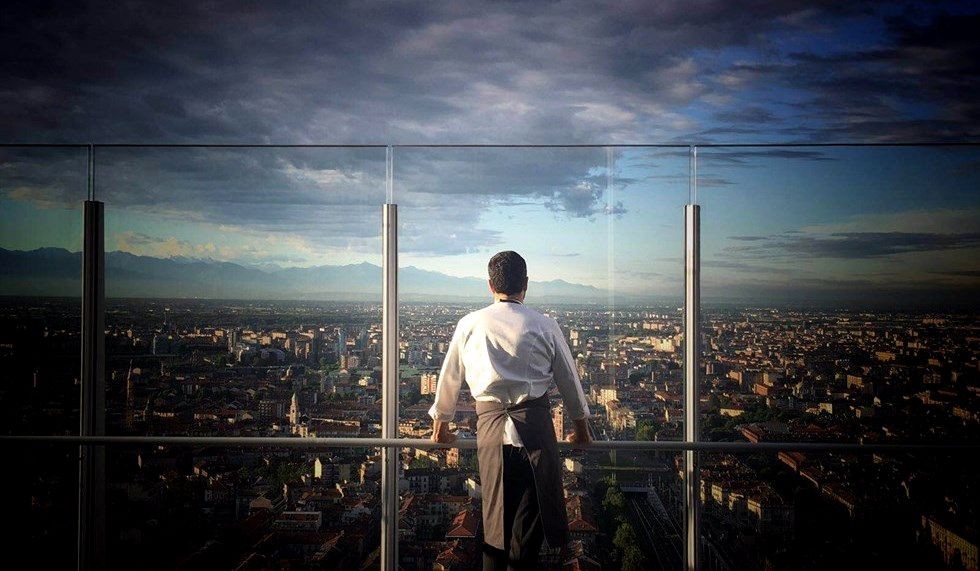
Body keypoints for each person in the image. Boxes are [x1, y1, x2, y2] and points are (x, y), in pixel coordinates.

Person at [428, 250, 592, 570]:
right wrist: (581, 429)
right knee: (527, 537)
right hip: (536, 435)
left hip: (491, 437)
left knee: (495, 532)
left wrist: (441, 428)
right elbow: (569, 380)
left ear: (490, 285)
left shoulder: (469, 324)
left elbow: (450, 377)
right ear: (526, 284)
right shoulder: (545, 324)